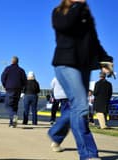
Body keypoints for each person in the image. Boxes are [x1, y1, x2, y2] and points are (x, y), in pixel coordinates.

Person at [48, 0, 113, 159]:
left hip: (84, 66)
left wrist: (105, 60)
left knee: (77, 107)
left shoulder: (85, 14)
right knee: (81, 107)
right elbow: (65, 26)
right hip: (66, 64)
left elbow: (94, 40)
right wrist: (77, 6)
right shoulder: (60, 11)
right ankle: (88, 154)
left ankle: (55, 133)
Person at [1, 56, 27, 128]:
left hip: (10, 89)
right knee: (15, 106)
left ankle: (13, 117)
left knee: (8, 105)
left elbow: (3, 78)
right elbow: (25, 81)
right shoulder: (21, 70)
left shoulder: (8, 69)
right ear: (18, 62)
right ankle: (12, 123)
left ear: (12, 61)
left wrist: (5, 85)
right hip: (18, 90)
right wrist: (21, 87)